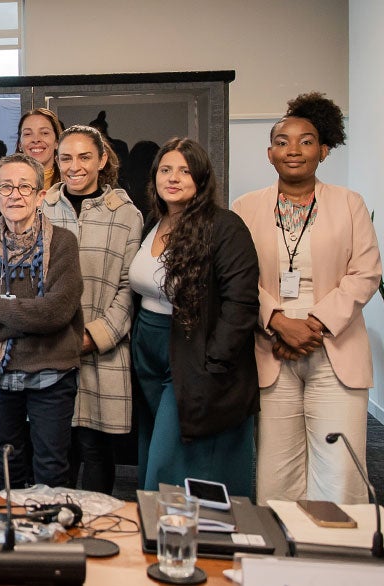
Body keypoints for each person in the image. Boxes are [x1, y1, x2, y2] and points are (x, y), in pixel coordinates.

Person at [232, 93, 381, 504]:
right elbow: (238, 277)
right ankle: (282, 559)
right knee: (277, 469)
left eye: (306, 140)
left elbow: (366, 273)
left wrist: (312, 326)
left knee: (339, 466)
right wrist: (280, 322)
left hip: (334, 342)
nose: (293, 149)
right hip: (271, 346)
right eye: (282, 141)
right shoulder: (245, 208)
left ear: (324, 150)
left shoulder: (350, 204)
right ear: (269, 153)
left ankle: (337, 558)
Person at [130, 138, 259, 496]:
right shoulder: (152, 226)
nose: (173, 178)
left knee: (170, 455)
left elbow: (241, 303)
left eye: (184, 170)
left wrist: (214, 361)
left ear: (201, 178)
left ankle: (180, 536)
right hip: (149, 349)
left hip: (195, 351)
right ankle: (157, 530)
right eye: (166, 169)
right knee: (156, 441)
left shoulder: (225, 227)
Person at [0, 153, 84, 490]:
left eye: (25, 187)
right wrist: (33, 315)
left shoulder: (63, 244)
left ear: (40, 195)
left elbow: (57, 312)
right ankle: (13, 539)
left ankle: (49, 541)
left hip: (51, 374)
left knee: (52, 467)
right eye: (6, 187)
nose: (15, 195)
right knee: (7, 466)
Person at [43, 125, 144, 494]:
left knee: (97, 449)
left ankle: (96, 528)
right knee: (57, 450)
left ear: (102, 159)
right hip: (51, 347)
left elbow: (129, 286)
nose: (75, 166)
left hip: (103, 348)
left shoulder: (126, 214)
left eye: (85, 156)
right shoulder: (42, 207)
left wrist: (94, 335)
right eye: (66, 157)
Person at [16, 108, 63, 193]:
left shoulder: (70, 182)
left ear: (57, 141)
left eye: (44, 133)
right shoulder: (7, 181)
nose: (36, 139)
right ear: (20, 143)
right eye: (28, 134)